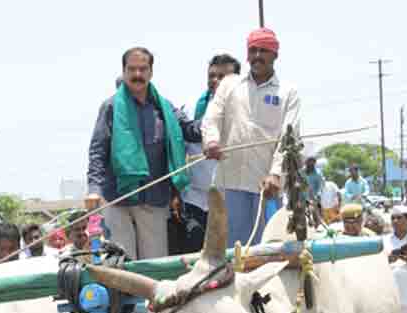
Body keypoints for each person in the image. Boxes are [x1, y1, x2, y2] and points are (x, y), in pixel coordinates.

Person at [86, 46, 203, 260]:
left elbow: (190, 130)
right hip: (118, 197)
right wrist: (93, 189)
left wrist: (216, 123)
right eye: (132, 69)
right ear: (124, 71)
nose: (137, 75)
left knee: (154, 263)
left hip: (154, 198)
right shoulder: (110, 107)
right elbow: (97, 151)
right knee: (121, 263)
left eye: (143, 69)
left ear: (151, 72)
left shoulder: (164, 108)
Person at [201, 28, 302, 248]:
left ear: (275, 55)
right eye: (253, 50)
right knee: (230, 253)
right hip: (230, 183)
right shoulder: (229, 84)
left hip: (266, 187)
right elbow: (212, 117)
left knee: (266, 251)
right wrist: (211, 141)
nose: (257, 56)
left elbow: (289, 139)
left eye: (263, 51)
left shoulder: (288, 92)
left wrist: (276, 174)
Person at [183, 53, 240, 251]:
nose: (215, 81)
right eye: (212, 76)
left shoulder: (247, 111)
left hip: (231, 199)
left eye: (222, 77)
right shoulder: (192, 110)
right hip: (196, 201)